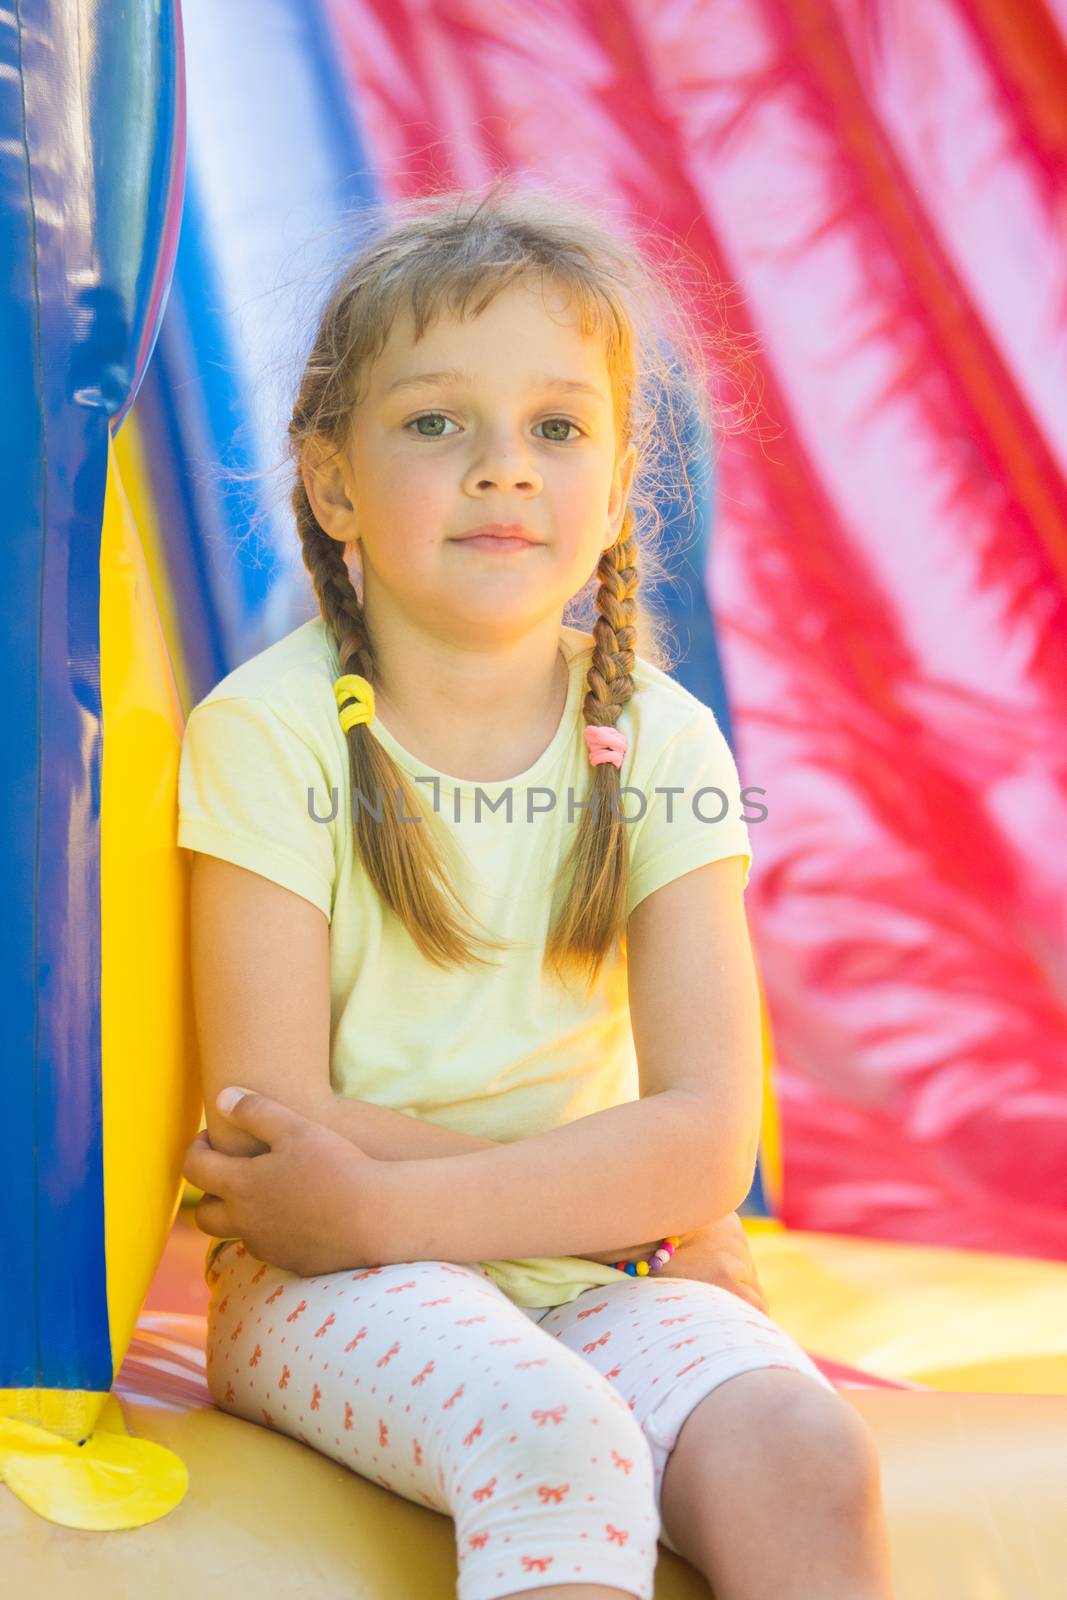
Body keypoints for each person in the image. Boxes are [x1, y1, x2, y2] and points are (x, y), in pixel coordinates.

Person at [178, 180, 895, 1600]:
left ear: (620, 487)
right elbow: (277, 1127)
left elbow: (705, 1144)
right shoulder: (264, 735)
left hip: (576, 1270)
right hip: (324, 1281)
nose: (504, 467)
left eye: (557, 429)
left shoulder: (662, 739)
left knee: (802, 1451)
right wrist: (602, 1203)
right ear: (330, 482)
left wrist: (447, 1206)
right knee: (552, 1432)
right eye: (437, 422)